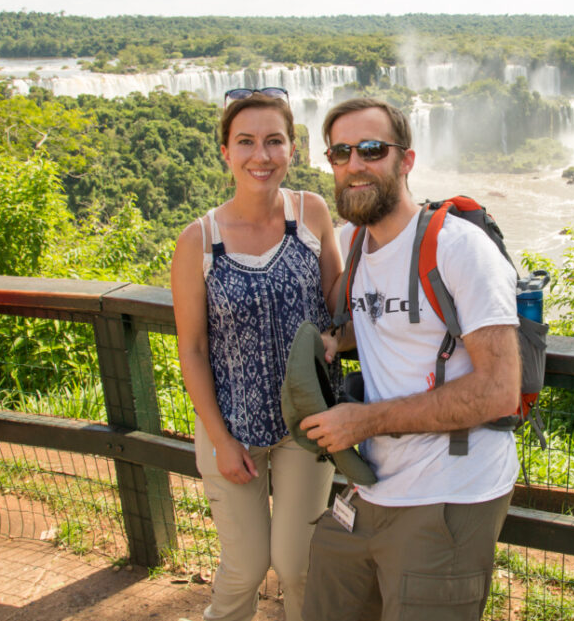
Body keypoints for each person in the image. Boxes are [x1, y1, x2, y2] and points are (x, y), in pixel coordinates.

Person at [299, 98, 521, 621]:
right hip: (369, 486)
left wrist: (367, 419)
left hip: (447, 496)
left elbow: (499, 390)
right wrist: (337, 341)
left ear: (407, 160)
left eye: (372, 149)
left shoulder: (459, 249)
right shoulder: (354, 242)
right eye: (341, 152)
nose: (356, 164)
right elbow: (388, 319)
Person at [171, 87, 342, 621]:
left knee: (298, 564)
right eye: (245, 141)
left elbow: (337, 305)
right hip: (232, 428)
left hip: (307, 424)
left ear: (293, 148)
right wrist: (220, 440)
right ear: (226, 151)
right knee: (245, 566)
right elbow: (193, 350)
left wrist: (338, 333)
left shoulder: (311, 214)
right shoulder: (198, 241)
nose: (260, 155)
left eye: (274, 141)